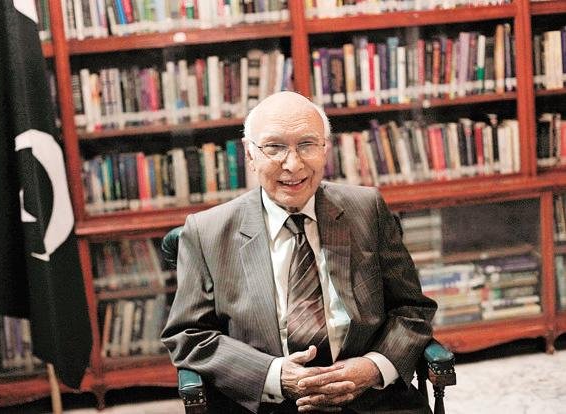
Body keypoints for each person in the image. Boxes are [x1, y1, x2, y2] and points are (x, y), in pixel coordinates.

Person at [161, 91, 437, 414]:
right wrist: (273, 375)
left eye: (307, 145)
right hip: (264, 404)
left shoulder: (367, 210)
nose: (293, 165)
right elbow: (188, 336)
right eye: (274, 147)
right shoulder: (207, 232)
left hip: (368, 400)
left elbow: (412, 309)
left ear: (325, 149)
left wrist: (374, 367)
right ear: (250, 155)